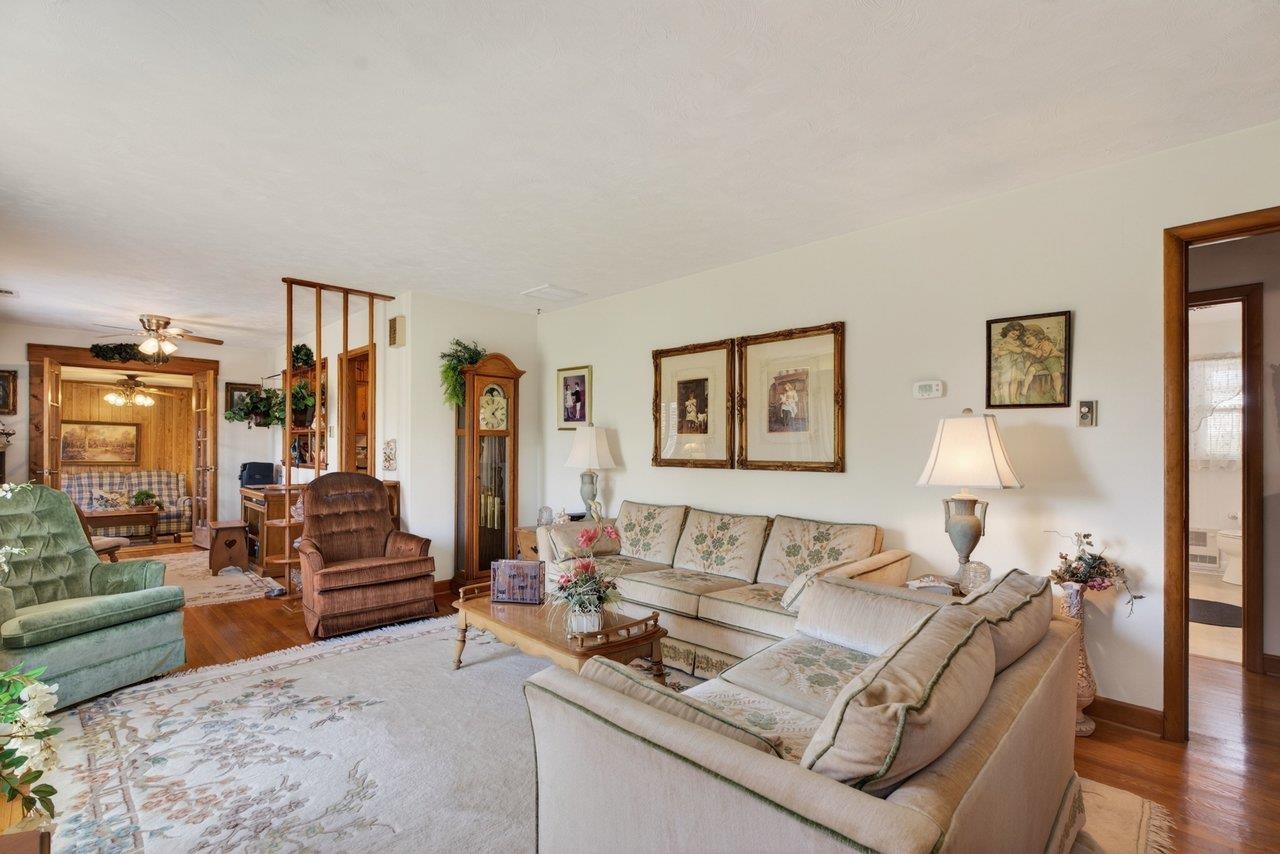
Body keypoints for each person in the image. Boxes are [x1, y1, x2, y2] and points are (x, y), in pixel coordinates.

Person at [1020, 324, 1064, 403]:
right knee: (1031, 369)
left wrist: (1030, 351)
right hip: (1041, 363)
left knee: (1056, 375)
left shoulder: (1045, 343)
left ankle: (1058, 393)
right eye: (1024, 339)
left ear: (1037, 336)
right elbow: (1029, 360)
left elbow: (1043, 354)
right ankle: (1025, 388)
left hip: (1052, 360)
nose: (1026, 340)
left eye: (1028, 337)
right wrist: (1025, 370)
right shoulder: (1031, 348)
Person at [991, 321, 1027, 405]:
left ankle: (1013, 399)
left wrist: (1008, 347)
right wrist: (1009, 350)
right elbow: (996, 352)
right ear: (1007, 331)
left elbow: (1019, 350)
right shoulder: (1001, 341)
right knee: (1005, 381)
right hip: (1005, 363)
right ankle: (1006, 400)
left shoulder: (1018, 342)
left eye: (1017, 335)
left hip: (1016, 364)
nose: (1015, 336)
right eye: (1013, 334)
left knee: (1015, 380)